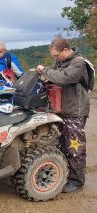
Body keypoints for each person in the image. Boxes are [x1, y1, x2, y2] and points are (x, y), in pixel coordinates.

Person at [36, 37, 90, 193]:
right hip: (62, 110)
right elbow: (55, 77)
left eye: (56, 55)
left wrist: (45, 70)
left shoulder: (79, 63)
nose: (55, 58)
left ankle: (77, 181)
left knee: (75, 147)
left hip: (75, 111)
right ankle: (65, 174)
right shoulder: (62, 62)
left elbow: (65, 78)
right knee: (62, 145)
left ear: (65, 50)